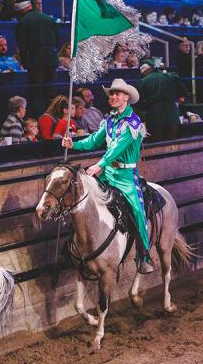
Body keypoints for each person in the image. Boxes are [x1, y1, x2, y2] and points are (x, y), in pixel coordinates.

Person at [61, 78, 154, 273]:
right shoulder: (109, 119)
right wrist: (74, 144)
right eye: (111, 93)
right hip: (108, 172)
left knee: (137, 210)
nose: (112, 97)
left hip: (126, 175)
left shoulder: (133, 122)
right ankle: (73, 243)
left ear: (126, 97)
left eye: (116, 94)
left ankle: (143, 255)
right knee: (81, 198)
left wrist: (99, 165)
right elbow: (94, 141)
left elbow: (118, 148)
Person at [14, 0, 59, 115]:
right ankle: (52, 118)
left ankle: (39, 119)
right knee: (51, 92)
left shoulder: (23, 22)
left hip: (35, 61)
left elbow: (22, 46)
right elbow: (57, 39)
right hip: (52, 59)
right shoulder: (47, 18)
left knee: (37, 93)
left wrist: (24, 62)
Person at [138, 61, 184, 141]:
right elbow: (182, 90)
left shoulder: (144, 81)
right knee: (171, 144)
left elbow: (140, 102)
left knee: (157, 145)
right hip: (172, 115)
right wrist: (180, 96)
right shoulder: (170, 76)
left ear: (144, 72)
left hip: (154, 116)